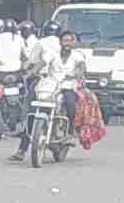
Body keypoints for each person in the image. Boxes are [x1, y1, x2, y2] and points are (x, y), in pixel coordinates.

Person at [9, 30, 87, 161]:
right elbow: (41, 63)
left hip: (67, 86)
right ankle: (21, 150)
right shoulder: (53, 54)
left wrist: (78, 73)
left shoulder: (77, 55)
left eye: (70, 41)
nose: (67, 43)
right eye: (64, 41)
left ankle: (70, 133)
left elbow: (81, 66)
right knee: (32, 114)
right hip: (49, 86)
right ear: (60, 42)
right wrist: (31, 72)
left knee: (70, 103)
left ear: (73, 42)